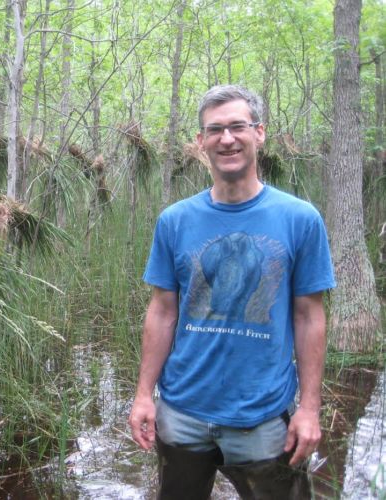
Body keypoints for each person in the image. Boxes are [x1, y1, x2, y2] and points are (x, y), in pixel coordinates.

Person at [128, 84, 336, 499]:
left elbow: (309, 316)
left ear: (259, 133)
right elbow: (163, 312)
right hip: (181, 412)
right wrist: (142, 395)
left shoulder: (300, 219)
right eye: (215, 130)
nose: (227, 139)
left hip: (259, 417)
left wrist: (309, 410)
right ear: (201, 141)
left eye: (238, 126)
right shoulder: (175, 220)